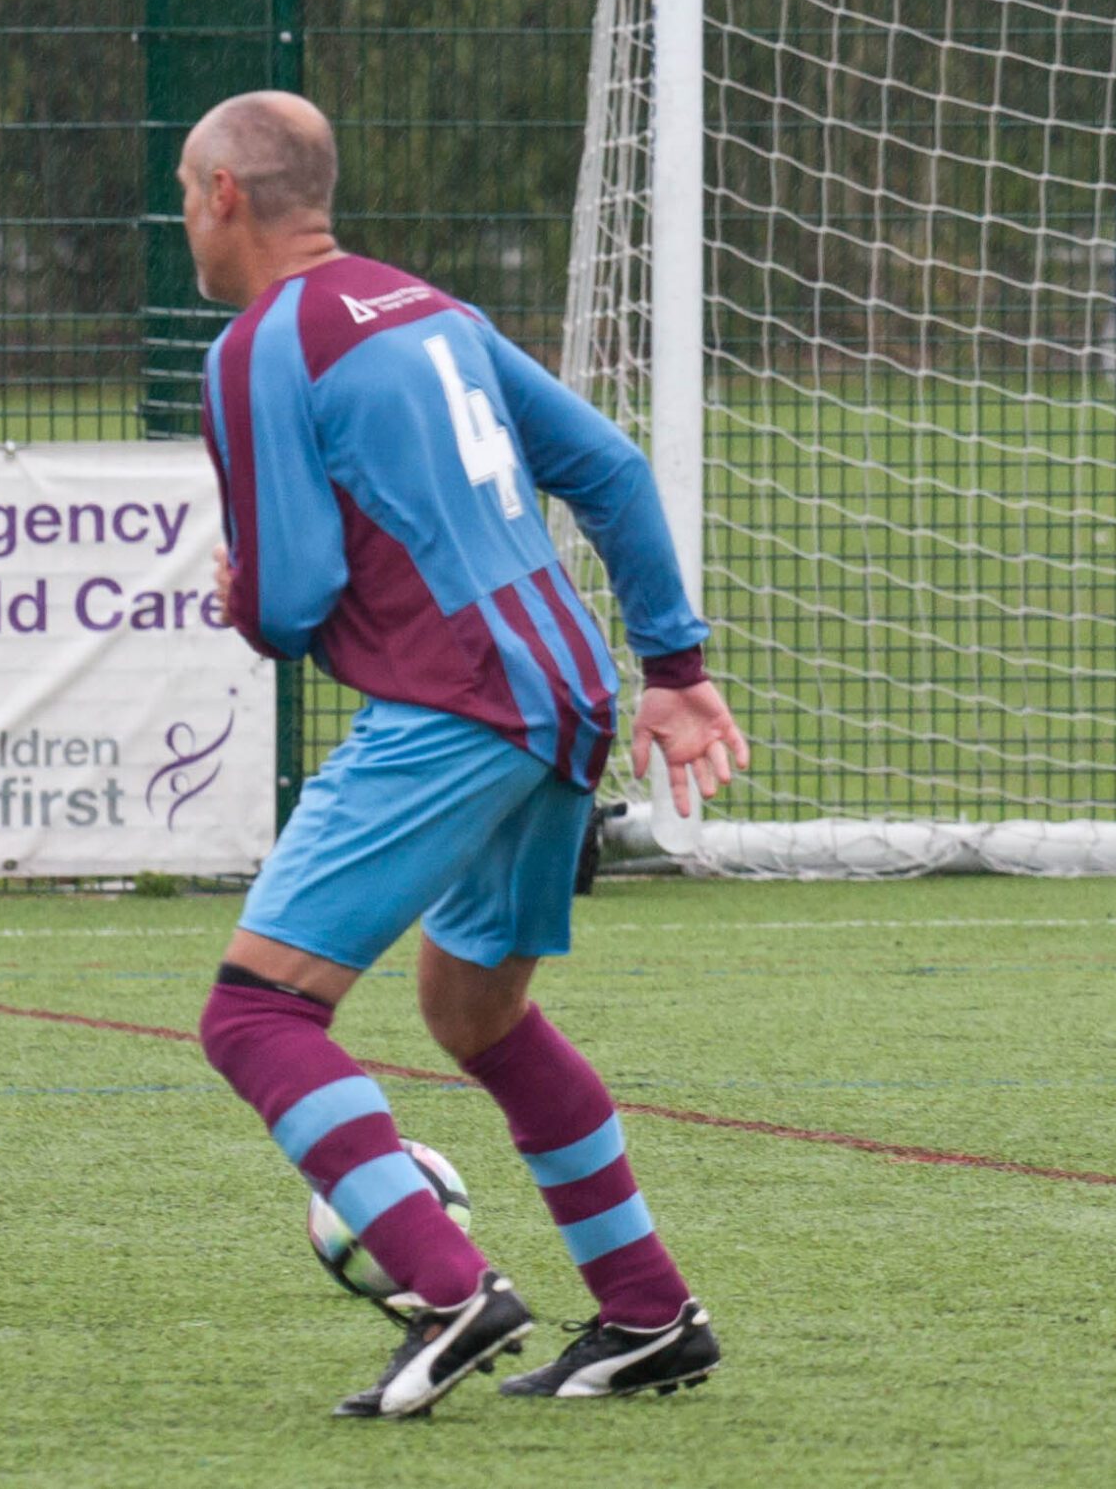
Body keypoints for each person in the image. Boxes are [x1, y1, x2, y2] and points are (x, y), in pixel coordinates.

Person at [184, 90, 749, 1418]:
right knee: (473, 1013)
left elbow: (291, 598)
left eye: (186, 198)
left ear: (225, 197)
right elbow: (610, 469)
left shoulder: (260, 345)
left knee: (256, 1013)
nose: (186, 223)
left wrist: (239, 594)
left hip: (456, 703)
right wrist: (673, 668)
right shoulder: (432, 308)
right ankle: (647, 1310)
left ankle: (448, 1286)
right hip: (566, 690)